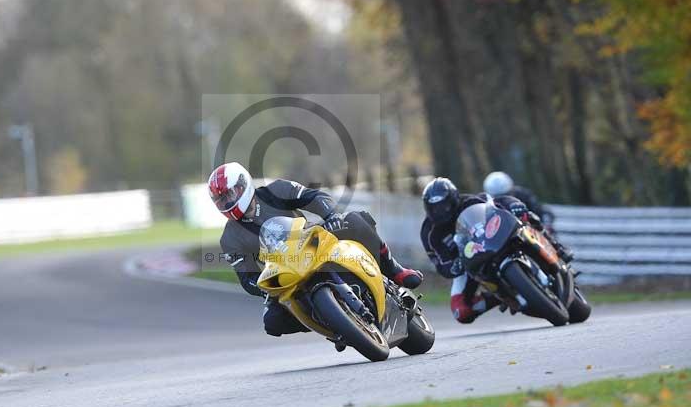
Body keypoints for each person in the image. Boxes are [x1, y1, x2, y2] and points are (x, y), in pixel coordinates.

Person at [209, 162, 423, 337]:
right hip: (285, 273)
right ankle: (330, 322)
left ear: (242, 185)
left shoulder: (277, 190)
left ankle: (396, 270)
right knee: (272, 323)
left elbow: (314, 197)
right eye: (220, 199)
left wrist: (330, 217)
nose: (226, 202)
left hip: (312, 241)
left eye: (228, 195)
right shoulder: (229, 238)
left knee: (356, 220)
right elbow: (246, 277)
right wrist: (265, 288)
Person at [420, 177, 570, 324]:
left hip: (495, 239)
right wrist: (453, 268)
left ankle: (556, 247)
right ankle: (497, 297)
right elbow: (440, 263)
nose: (440, 211)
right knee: (461, 311)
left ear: (453, 199)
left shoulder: (471, 201)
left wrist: (515, 205)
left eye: (444, 205)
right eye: (434, 208)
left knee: (527, 216)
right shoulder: (429, 233)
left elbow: (501, 202)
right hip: (467, 263)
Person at [482, 171, 555, 230]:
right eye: (496, 197)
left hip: (531, 232)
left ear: (511, 190)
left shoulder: (523, 195)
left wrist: (546, 224)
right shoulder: (486, 204)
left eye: (506, 195)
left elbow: (539, 210)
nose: (502, 200)